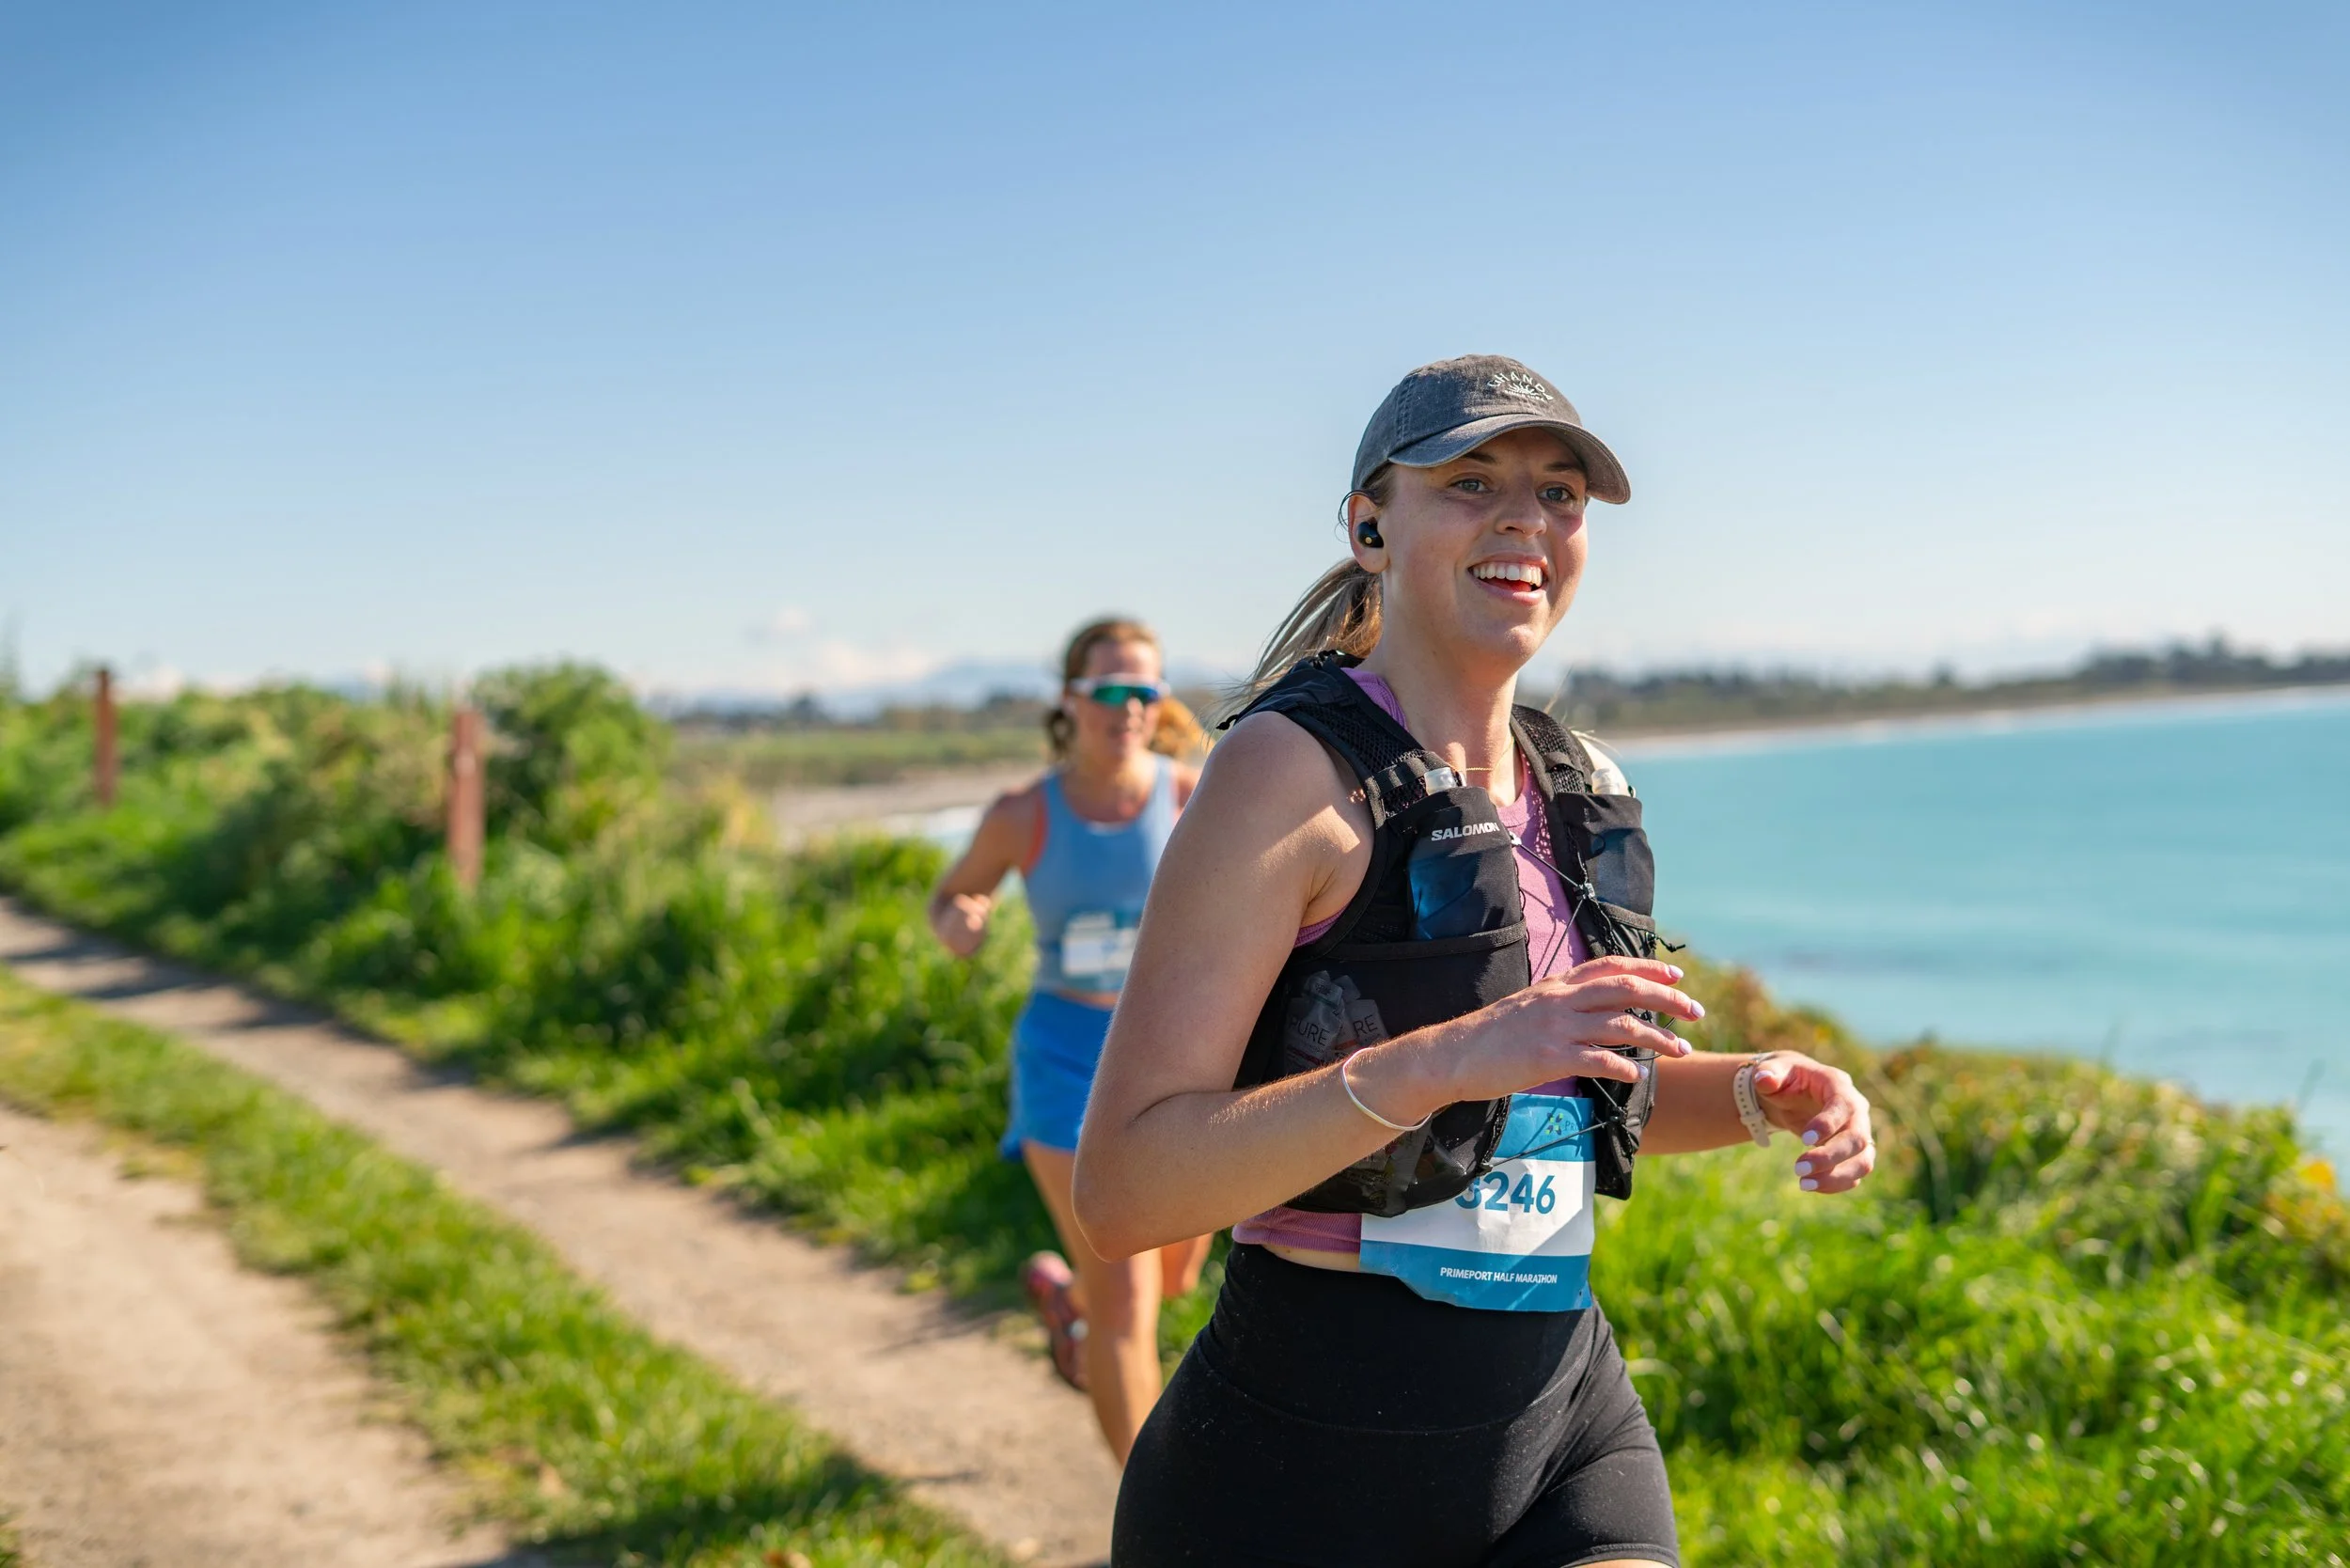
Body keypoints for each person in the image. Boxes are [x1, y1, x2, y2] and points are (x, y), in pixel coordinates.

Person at [1074, 356, 1879, 1566]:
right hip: (1297, 1474)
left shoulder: (1580, 784)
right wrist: (1449, 1059)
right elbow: (1125, 1192)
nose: (1525, 519)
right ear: (1368, 527)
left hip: (1564, 1435)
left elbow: (1584, 1093)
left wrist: (1760, 1088)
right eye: (1469, 481)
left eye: (1559, 493)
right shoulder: (1285, 775)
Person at [928, 617, 1217, 1463]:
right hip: (1064, 1059)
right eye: (1108, 691)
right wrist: (961, 921)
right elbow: (953, 896)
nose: (1127, 707)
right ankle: (1156, 1519)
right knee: (1129, 1296)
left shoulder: (1195, 797)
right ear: (1070, 700)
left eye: (1144, 691)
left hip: (1177, 1058)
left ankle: (1072, 1316)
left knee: (1170, 1278)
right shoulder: (1024, 813)